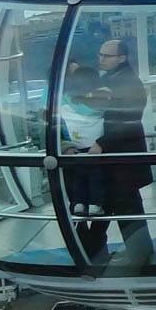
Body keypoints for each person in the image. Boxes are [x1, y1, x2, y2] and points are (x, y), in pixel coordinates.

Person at [77, 39, 153, 265]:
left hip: (121, 160)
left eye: (106, 56)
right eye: (100, 55)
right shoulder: (116, 80)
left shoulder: (127, 83)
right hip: (118, 161)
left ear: (121, 58)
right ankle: (104, 251)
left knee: (122, 207)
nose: (101, 59)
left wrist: (102, 143)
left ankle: (97, 254)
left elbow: (129, 120)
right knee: (117, 206)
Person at [58, 65, 106, 217]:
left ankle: (79, 203)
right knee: (96, 175)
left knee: (78, 176)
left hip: (75, 144)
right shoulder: (102, 98)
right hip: (95, 145)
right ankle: (95, 204)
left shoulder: (66, 101)